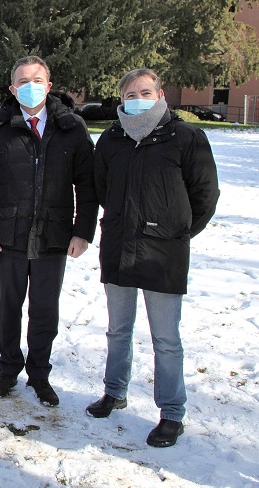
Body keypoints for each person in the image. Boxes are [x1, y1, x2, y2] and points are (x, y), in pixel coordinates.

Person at [85, 68, 218, 448]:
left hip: (164, 252)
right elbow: (101, 188)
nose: (137, 98)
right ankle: (115, 391)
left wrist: (178, 232)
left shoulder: (186, 137)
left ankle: (172, 412)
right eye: (130, 93)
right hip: (119, 247)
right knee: (117, 330)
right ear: (121, 99)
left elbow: (205, 195)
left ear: (160, 94)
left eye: (145, 91)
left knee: (165, 338)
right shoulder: (111, 139)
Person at [0, 55, 97, 407]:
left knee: (44, 311)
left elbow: (87, 184)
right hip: (7, 237)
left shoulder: (71, 129)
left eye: (37, 80)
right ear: (12, 88)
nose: (31, 86)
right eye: (23, 82)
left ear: (49, 85)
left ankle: (39, 374)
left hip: (54, 237)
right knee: (8, 308)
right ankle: (9, 368)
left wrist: (82, 231)